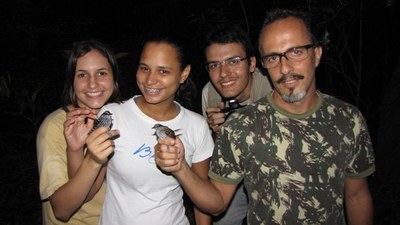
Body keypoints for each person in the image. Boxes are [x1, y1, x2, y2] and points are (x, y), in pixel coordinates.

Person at [155, 8, 375, 225]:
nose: (285, 67)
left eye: (296, 51)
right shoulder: (239, 123)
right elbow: (217, 201)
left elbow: (356, 196)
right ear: (264, 63)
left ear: (316, 54)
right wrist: (181, 166)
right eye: (272, 57)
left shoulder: (348, 119)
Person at [84, 33, 214, 225]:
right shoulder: (113, 115)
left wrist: (181, 167)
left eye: (163, 71)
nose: (150, 80)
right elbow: (87, 192)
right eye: (145, 68)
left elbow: (202, 200)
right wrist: (82, 153)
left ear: (183, 74)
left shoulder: (196, 125)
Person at [36, 39, 121, 224]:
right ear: (71, 81)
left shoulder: (114, 117)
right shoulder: (56, 126)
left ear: (114, 78)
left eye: (101, 73)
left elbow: (91, 191)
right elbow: (62, 210)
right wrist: (88, 156)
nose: (93, 84)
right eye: (82, 75)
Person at [201, 23, 272, 225]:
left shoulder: (269, 87)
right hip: (234, 171)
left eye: (233, 61)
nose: (223, 74)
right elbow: (217, 157)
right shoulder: (210, 93)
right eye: (214, 65)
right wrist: (217, 133)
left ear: (251, 63)